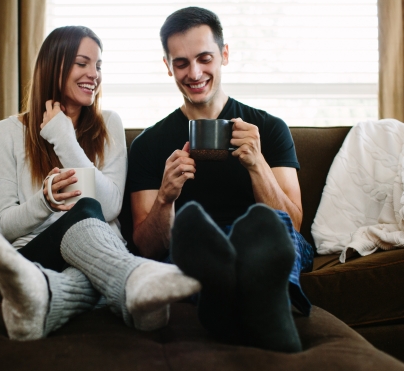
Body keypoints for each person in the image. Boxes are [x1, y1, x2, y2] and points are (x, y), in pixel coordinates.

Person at [0, 25, 200, 341]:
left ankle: (45, 295)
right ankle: (134, 280)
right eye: (82, 63)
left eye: (98, 65)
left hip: (96, 256)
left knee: (90, 219)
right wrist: (44, 202)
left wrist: (64, 138)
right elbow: (6, 227)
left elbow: (110, 206)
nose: (94, 74)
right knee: (86, 206)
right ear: (53, 66)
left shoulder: (109, 125)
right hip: (37, 253)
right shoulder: (3, 134)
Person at [127, 7, 314, 353]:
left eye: (204, 58)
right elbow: (146, 247)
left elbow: (295, 224)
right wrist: (166, 197)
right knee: (189, 245)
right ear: (167, 66)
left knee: (272, 230)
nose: (194, 72)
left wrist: (257, 165)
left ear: (224, 55)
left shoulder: (269, 129)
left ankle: (223, 298)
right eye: (181, 63)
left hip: (262, 242)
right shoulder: (149, 145)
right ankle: (261, 309)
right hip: (197, 246)